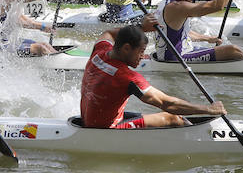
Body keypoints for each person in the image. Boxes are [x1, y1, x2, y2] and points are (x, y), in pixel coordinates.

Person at [79, 24, 227, 128]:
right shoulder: (126, 77)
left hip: (89, 120)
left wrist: (142, 27)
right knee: (172, 118)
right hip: (106, 129)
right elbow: (168, 104)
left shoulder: (100, 49)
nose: (143, 57)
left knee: (153, 115)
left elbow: (109, 33)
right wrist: (209, 109)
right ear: (126, 48)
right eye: (141, 51)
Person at [150, 0, 243, 62]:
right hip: (176, 57)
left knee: (230, 50)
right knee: (232, 50)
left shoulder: (163, 4)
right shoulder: (178, 7)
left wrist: (208, 38)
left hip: (175, 53)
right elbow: (217, 6)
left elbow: (181, 33)